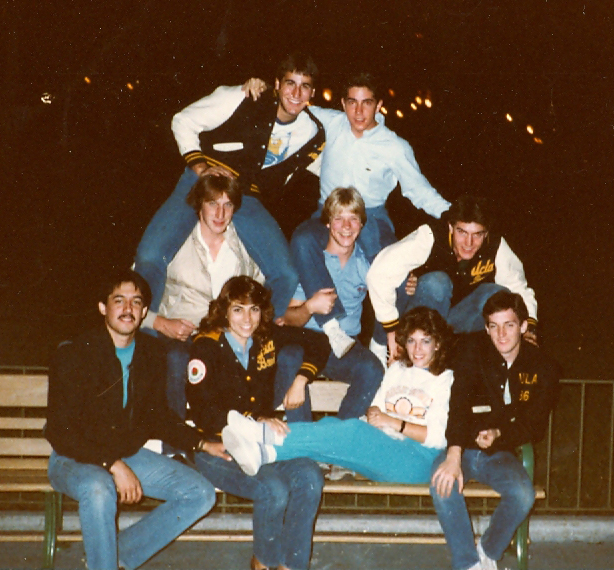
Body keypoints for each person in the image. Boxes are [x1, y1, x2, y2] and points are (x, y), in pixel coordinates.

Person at [134, 52, 325, 322]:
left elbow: (328, 171)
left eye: (304, 86)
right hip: (203, 184)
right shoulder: (243, 97)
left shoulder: (312, 132)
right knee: (151, 254)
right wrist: (200, 167)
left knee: (286, 275)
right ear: (277, 84)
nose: (296, 92)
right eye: (290, 83)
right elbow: (182, 121)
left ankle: (251, 335)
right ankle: (148, 331)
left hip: (246, 197)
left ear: (312, 92)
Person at [45, 270, 216, 570]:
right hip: (72, 458)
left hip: (125, 454)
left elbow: (159, 417)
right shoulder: (75, 354)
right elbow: (61, 431)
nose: (128, 309)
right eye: (119, 300)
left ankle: (115, 557)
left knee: (199, 494)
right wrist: (112, 464)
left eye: (136, 302)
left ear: (144, 312)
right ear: (103, 307)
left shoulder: (152, 353)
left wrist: (202, 442)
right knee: (100, 489)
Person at [288, 72, 451, 353]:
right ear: (342, 103)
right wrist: (260, 88)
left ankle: (379, 344)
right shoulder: (332, 122)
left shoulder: (394, 146)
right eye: (352, 102)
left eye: (367, 103)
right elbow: (294, 101)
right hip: (327, 213)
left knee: (398, 278)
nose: (359, 111)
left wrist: (453, 215)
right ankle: (331, 327)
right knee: (302, 240)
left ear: (378, 105)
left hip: (372, 217)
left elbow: (419, 190)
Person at [186, 276, 330, 570]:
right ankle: (263, 563)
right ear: (225, 311)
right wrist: (255, 420)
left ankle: (292, 565)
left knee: (310, 475)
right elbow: (205, 413)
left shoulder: (265, 337)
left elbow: (319, 343)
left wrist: (301, 379)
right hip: (217, 449)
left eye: (254, 309)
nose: (247, 319)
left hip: (261, 446)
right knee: (273, 489)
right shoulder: (206, 347)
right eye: (238, 309)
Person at [223, 306, 455, 485]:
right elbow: (374, 411)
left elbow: (439, 438)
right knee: (335, 426)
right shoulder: (397, 370)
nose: (417, 349)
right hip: (383, 448)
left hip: (417, 461)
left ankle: (262, 435)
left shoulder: (445, 379)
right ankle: (264, 452)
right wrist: (374, 414)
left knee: (351, 431)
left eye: (426, 341)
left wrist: (391, 422)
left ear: (437, 344)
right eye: (412, 341)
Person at [429, 291, 560, 570]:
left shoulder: (543, 367)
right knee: (443, 482)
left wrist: (500, 435)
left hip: (498, 452)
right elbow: (459, 403)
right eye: (493, 326)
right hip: (461, 447)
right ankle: (468, 565)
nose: (501, 334)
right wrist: (453, 456)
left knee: (523, 494)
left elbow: (534, 426)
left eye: (509, 325)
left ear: (524, 326)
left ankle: (488, 551)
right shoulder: (472, 351)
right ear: (486, 327)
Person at [140, 174, 264, 456]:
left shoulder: (244, 245)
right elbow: (131, 298)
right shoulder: (174, 240)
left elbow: (262, 286)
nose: (220, 214)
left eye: (228, 205)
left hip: (225, 338)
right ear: (199, 206)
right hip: (180, 335)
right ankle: (174, 451)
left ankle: (232, 448)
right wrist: (160, 322)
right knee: (176, 359)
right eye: (212, 204)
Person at [367, 194, 538, 360]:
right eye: (462, 232)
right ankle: (409, 350)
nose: (468, 243)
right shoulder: (430, 236)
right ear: (450, 227)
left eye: (477, 234)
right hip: (421, 314)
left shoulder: (495, 244)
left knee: (498, 294)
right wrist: (390, 329)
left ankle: (490, 360)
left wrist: (528, 329)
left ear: (486, 233)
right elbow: (379, 272)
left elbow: (518, 286)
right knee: (437, 283)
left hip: (455, 319)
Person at [275, 187, 384, 422]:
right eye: (338, 218)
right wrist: (309, 307)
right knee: (289, 357)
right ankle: (303, 446)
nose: (346, 226)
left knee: (372, 369)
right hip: (307, 340)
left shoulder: (366, 265)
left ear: (361, 225)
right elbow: (287, 318)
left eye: (353, 219)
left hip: (342, 348)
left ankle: (337, 441)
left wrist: (409, 282)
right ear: (327, 224)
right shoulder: (312, 260)